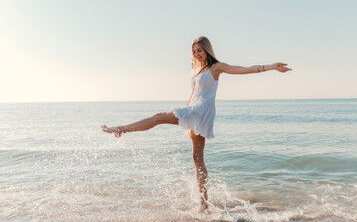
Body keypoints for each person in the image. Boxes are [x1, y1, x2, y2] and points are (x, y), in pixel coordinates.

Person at [101, 36, 292, 211]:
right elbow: (194, 94)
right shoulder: (197, 70)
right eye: (194, 51)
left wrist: (272, 66)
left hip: (201, 111)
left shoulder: (216, 67)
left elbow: (244, 70)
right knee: (197, 158)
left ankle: (121, 129)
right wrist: (186, 110)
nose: (197, 53)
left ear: (207, 50)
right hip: (194, 110)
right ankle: (204, 203)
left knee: (159, 117)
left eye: (200, 50)